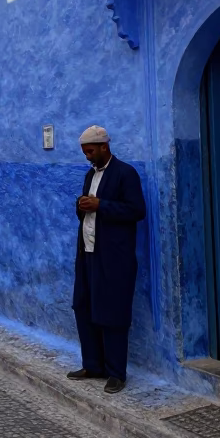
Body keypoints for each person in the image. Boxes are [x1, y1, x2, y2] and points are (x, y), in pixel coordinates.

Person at [68, 125, 147, 394]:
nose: (87, 157)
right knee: (83, 306)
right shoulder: (90, 175)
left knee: (112, 311)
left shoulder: (126, 174)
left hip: (114, 258)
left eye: (90, 151)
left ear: (104, 146)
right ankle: (93, 365)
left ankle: (116, 373)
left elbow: (137, 210)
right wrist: (82, 205)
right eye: (84, 152)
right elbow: (87, 211)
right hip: (87, 253)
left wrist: (101, 205)